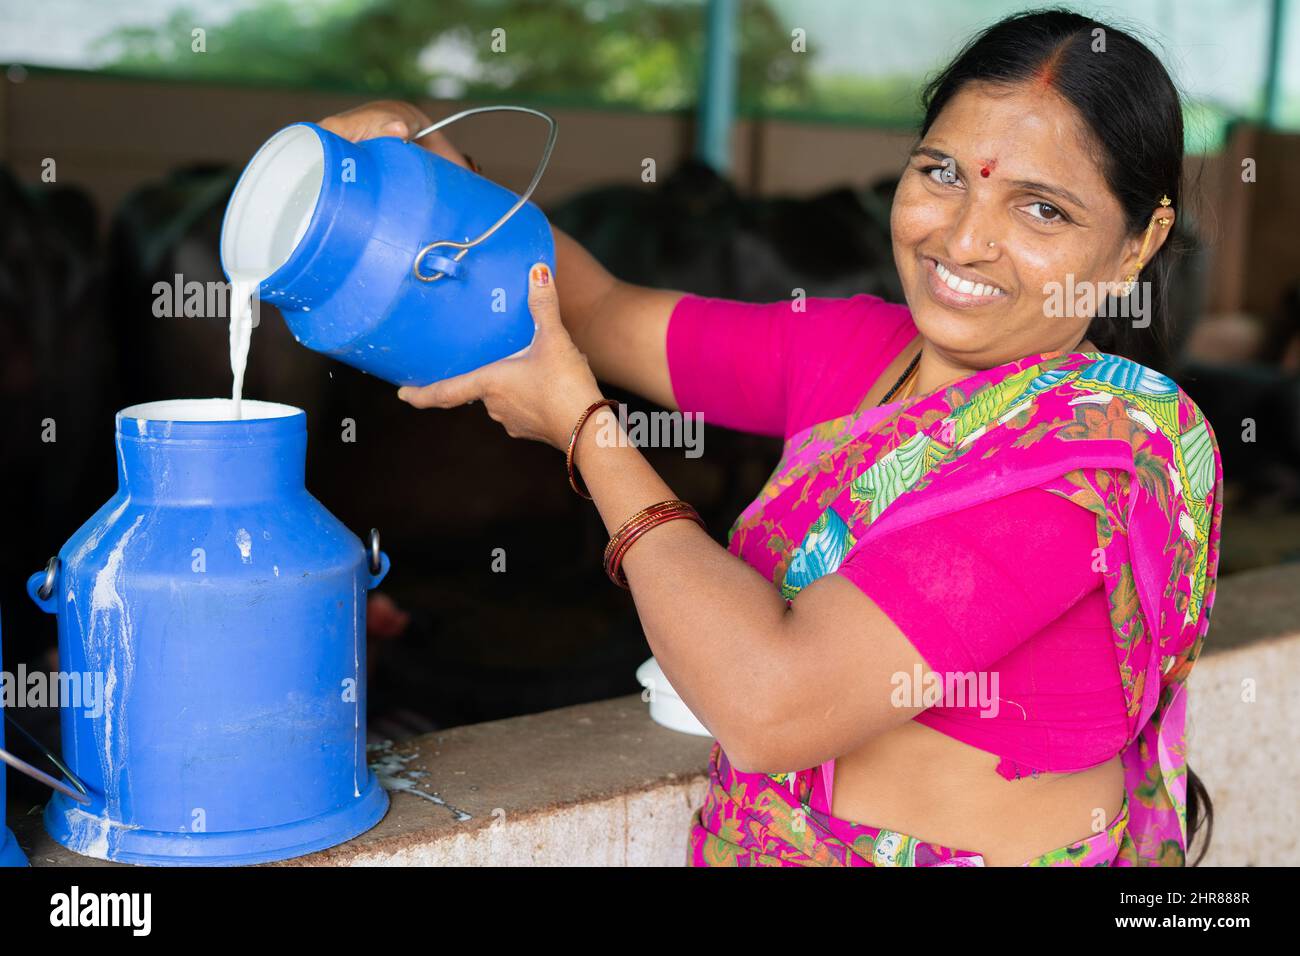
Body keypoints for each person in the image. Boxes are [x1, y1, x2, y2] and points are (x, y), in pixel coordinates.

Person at [321, 8, 1221, 866]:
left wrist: (587, 433)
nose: (965, 237)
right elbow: (590, 307)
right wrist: (428, 164)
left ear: (1141, 243)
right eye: (943, 171)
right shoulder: (852, 348)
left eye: (1042, 210)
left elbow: (770, 705)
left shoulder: (1093, 459)